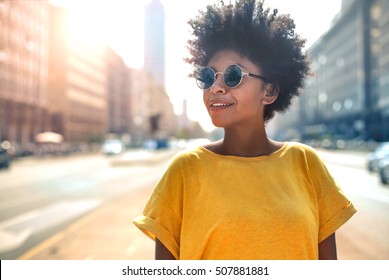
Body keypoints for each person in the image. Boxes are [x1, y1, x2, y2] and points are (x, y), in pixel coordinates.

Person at [133, 0, 356, 260]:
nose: (216, 87)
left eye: (233, 75)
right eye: (208, 76)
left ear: (269, 91)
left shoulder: (306, 163)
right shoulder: (184, 170)